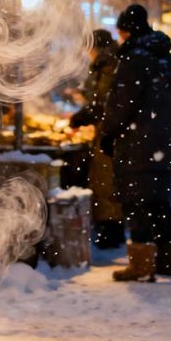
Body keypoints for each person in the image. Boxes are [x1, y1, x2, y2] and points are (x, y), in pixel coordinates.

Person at [101, 4, 171, 281]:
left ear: (127, 31)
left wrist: (108, 132)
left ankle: (141, 267)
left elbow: (120, 105)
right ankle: (165, 261)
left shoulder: (133, 61)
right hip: (164, 145)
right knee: (160, 203)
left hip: (137, 146)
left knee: (137, 204)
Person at [69, 29, 124, 249]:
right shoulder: (113, 63)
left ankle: (110, 233)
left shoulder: (108, 66)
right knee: (108, 182)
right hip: (112, 131)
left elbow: (102, 102)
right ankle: (113, 230)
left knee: (105, 182)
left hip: (109, 133)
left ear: (95, 48)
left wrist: (81, 116)